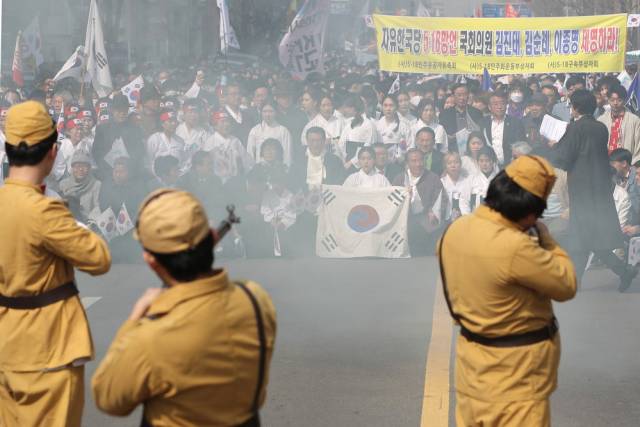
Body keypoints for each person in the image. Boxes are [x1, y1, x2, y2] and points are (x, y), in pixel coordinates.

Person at [92, 189, 276, 426]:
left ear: (151, 260)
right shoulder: (255, 299)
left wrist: (134, 320)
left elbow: (108, 398)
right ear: (210, 237)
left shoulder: (149, 336)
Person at [438, 155, 576, 427]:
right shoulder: (515, 247)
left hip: (471, 369)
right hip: (516, 379)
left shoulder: (455, 230)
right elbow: (566, 284)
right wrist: (546, 239)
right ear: (529, 213)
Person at [0, 101, 111, 426]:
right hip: (49, 346)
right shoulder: (46, 211)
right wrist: (70, 218)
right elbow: (98, 258)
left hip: (6, 344)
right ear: (53, 152)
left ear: (8, 149)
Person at [552, 89, 638, 292]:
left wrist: (554, 145)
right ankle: (618, 272)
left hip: (582, 189)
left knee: (582, 235)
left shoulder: (575, 128)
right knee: (586, 236)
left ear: (576, 107)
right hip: (599, 187)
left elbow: (564, 159)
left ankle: (618, 271)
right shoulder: (600, 127)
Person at [392, 148, 445, 255]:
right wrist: (406, 198)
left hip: (425, 216)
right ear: (407, 163)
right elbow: (392, 203)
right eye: (414, 161)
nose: (418, 164)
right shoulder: (400, 179)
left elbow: (441, 199)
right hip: (406, 218)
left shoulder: (432, 177)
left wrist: (433, 211)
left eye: (421, 160)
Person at [597, 84, 640, 165]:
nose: (615, 103)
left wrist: (633, 167)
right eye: (612, 100)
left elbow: (638, 147)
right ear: (608, 100)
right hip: (606, 166)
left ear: (624, 100)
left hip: (626, 166)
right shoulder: (601, 120)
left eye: (619, 100)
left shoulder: (635, 121)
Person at [481, 92, 526, 166]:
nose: (499, 107)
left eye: (502, 104)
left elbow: (521, 146)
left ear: (506, 105)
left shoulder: (516, 123)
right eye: (495, 104)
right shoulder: (483, 123)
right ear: (489, 107)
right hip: (489, 166)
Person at [438, 83, 483, 152]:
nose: (462, 98)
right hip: (453, 151)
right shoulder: (445, 114)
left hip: (472, 151)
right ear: (453, 96)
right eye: (459, 95)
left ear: (468, 96)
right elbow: (442, 136)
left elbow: (480, 134)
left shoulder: (476, 113)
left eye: (464, 95)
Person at [59, 150, 102, 222]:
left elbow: (98, 207)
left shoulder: (96, 184)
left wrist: (90, 222)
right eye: (77, 166)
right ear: (72, 168)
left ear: (89, 168)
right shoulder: (63, 184)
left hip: (87, 223)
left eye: (84, 166)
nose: (81, 169)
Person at [247, 102, 292, 167]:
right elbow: (250, 154)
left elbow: (287, 155)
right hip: (260, 170)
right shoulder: (255, 131)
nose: (267, 114)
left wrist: (286, 170)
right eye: (264, 111)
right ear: (261, 113)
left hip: (278, 170)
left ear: (276, 112)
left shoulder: (283, 131)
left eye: (271, 111)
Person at [459, 146, 498, 213]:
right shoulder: (471, 179)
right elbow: (464, 201)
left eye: (487, 160)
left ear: (493, 161)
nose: (484, 164)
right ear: (477, 162)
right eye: (481, 161)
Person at [375, 95, 412, 164]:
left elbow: (410, 146)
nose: (388, 108)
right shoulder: (376, 125)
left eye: (391, 105)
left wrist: (401, 157)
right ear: (382, 107)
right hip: (380, 162)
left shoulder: (404, 125)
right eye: (385, 105)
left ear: (396, 107)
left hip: (399, 163)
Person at [441, 152, 469, 222]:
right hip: (446, 217)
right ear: (445, 166)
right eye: (449, 163)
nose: (453, 165)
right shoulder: (442, 182)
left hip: (464, 216)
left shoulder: (466, 181)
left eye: (456, 162)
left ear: (460, 164)